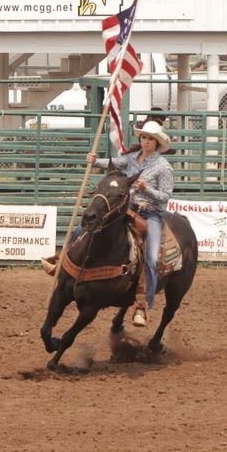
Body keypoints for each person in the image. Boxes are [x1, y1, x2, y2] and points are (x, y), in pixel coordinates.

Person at [86, 120, 173, 328]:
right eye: (144, 137)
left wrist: (147, 189)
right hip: (129, 211)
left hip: (151, 215)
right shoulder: (133, 158)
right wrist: (95, 160)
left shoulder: (164, 167)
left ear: (157, 143)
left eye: (150, 139)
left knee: (151, 259)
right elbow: (115, 163)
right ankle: (65, 260)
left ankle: (144, 304)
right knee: (89, 228)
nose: (146, 142)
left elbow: (165, 197)